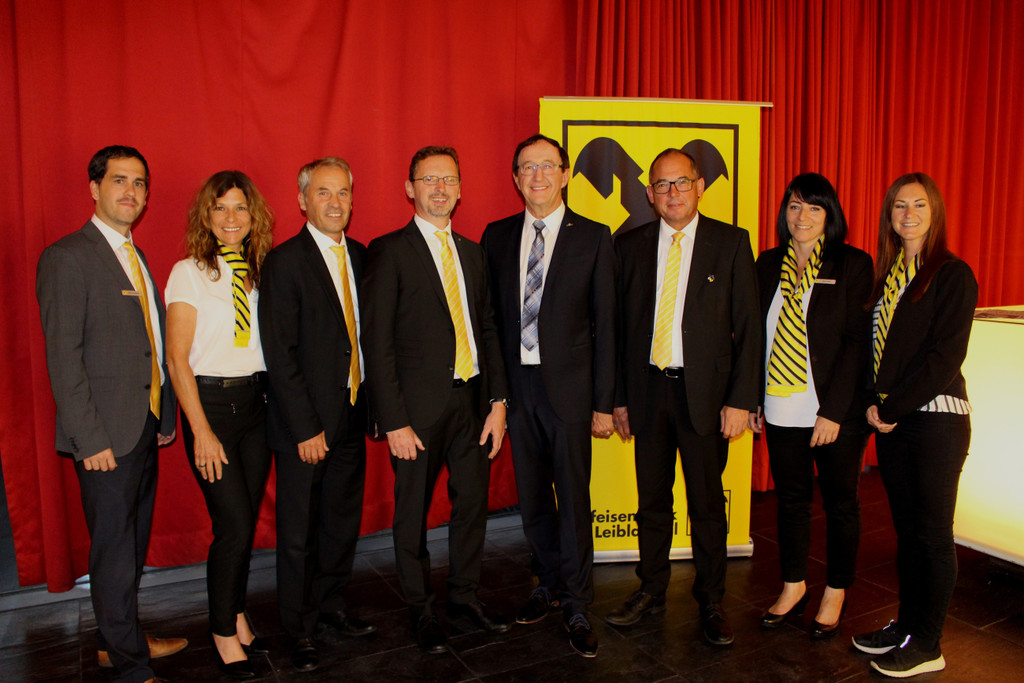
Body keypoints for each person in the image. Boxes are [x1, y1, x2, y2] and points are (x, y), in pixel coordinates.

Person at [36, 145, 186, 683]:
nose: (131, 191)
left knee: (131, 544)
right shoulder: (67, 257)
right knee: (115, 551)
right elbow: (64, 358)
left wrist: (164, 415)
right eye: (119, 180)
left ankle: (115, 641)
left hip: (142, 425)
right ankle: (130, 667)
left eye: (140, 183)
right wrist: (89, 438)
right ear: (94, 188)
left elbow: (151, 344)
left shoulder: (135, 256)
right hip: (104, 436)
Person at [609, 148, 761, 646]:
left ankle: (711, 599)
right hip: (647, 392)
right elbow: (618, 330)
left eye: (681, 182)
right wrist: (618, 398)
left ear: (700, 187)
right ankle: (651, 589)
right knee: (651, 501)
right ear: (649, 194)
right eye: (662, 184)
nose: (672, 193)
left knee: (706, 504)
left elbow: (749, 329)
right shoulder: (628, 246)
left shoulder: (731, 243)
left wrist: (741, 401)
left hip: (707, 398)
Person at [362, 146, 510, 654]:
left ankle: (465, 598)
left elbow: (487, 329)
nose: (440, 188)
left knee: (471, 509)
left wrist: (498, 402)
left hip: (473, 405)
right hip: (416, 414)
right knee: (412, 517)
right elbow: (376, 342)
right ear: (410, 189)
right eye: (429, 179)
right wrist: (394, 420)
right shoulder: (389, 251)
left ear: (461, 189)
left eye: (448, 179)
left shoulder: (472, 252)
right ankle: (420, 610)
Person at [481, 134, 615, 658]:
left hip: (572, 393)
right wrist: (496, 395)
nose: (537, 176)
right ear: (516, 178)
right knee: (533, 497)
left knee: (573, 500)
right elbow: (490, 323)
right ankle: (547, 582)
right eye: (527, 167)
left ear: (565, 175)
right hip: (518, 390)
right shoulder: (496, 237)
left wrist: (603, 402)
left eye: (547, 166)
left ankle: (578, 604)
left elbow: (607, 325)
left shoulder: (594, 237)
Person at [853, 173, 977, 678]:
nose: (908, 214)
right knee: (907, 533)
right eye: (899, 205)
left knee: (932, 535)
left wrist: (890, 408)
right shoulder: (889, 276)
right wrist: (873, 404)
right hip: (896, 423)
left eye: (919, 205)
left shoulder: (952, 274)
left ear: (935, 211)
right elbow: (876, 352)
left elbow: (944, 359)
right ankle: (906, 626)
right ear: (889, 215)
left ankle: (928, 643)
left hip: (937, 423)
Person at [259, 157, 375, 673]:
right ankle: (298, 627)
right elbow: (280, 354)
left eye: (343, 192)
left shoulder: (362, 255)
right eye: (323, 192)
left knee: (339, 524)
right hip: (304, 427)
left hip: (351, 414)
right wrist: (306, 427)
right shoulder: (284, 262)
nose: (335, 202)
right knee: (299, 534)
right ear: (302, 200)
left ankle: (330, 607)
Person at [748, 173, 872, 639]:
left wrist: (834, 411)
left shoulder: (852, 263)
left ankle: (836, 590)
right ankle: (793, 585)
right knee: (792, 502)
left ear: (829, 215)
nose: (803, 216)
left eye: (814, 207)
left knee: (841, 503)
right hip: (781, 404)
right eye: (795, 206)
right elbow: (752, 336)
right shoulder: (768, 263)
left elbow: (856, 344)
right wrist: (753, 397)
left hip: (832, 409)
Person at [165, 171, 274, 678]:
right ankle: (222, 632)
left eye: (240, 208)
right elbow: (177, 359)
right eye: (221, 208)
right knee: (232, 526)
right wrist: (201, 431)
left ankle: (237, 613)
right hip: (210, 407)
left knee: (245, 521)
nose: (231, 218)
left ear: (254, 216)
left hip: (256, 405)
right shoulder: (188, 272)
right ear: (205, 216)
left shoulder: (261, 271)